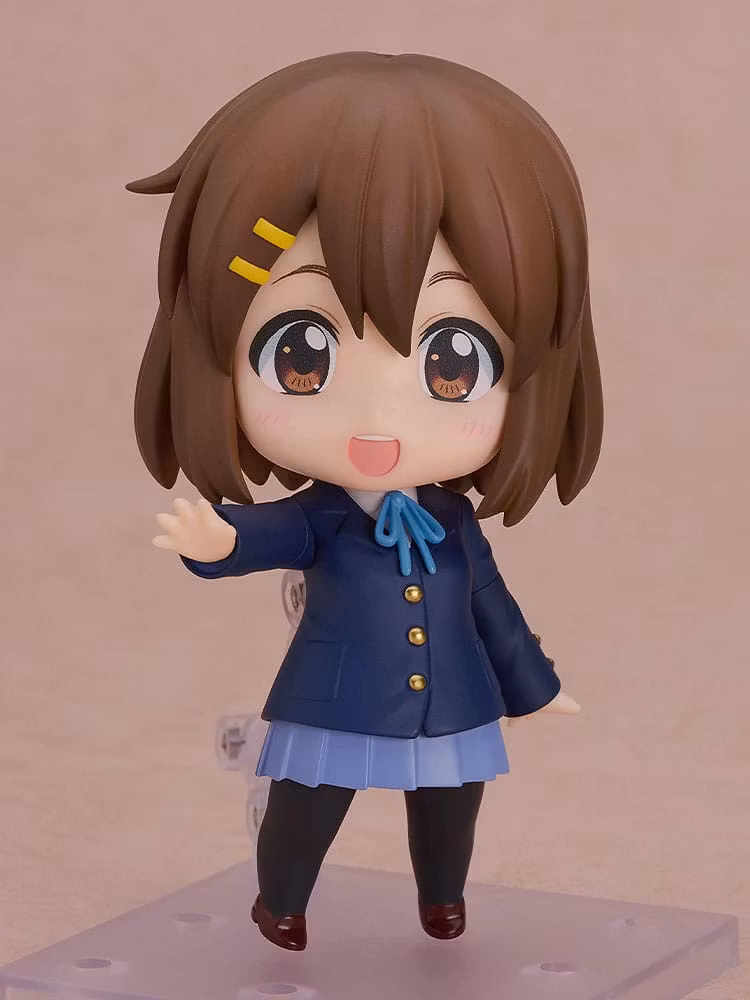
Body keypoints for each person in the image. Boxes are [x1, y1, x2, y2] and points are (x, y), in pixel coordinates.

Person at [128, 51, 604, 952]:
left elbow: (492, 606)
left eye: (452, 361)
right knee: (309, 803)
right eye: (300, 353)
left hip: (452, 698)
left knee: (452, 803)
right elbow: (261, 535)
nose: (379, 419)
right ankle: (280, 901)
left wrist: (534, 688)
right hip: (335, 698)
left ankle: (442, 898)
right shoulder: (322, 518)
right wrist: (212, 539)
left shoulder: (452, 523)